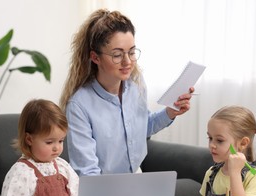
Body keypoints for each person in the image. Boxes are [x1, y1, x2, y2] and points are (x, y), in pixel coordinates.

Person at [59, 9, 194, 176]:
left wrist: (170, 112)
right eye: (117, 55)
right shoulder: (79, 106)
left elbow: (141, 128)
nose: (127, 62)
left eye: (131, 52)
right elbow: (87, 173)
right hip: (102, 187)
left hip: (135, 178)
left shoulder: (136, 84)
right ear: (95, 57)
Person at [1, 99, 79, 196]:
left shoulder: (62, 166)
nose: (57, 148)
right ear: (29, 139)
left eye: (61, 141)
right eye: (49, 142)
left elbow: (76, 194)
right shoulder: (22, 171)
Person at [173, 105, 256, 196]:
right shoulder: (212, 173)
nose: (212, 144)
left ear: (243, 143)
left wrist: (234, 173)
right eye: (210, 138)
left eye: (219, 140)